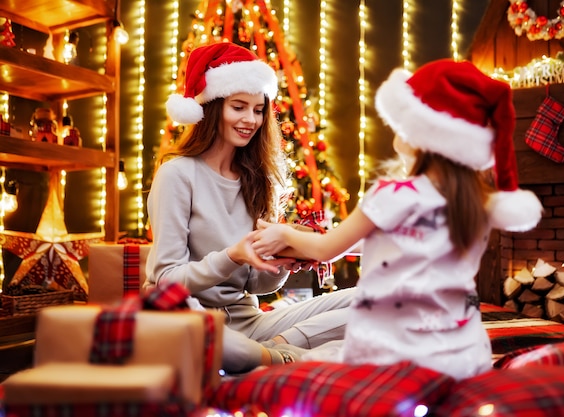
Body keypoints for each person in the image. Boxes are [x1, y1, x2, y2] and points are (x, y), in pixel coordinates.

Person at [250, 59, 543, 381]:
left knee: (288, 374)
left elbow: (325, 249)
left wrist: (286, 235)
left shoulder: (393, 194)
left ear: (419, 133)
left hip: (396, 353)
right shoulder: (478, 202)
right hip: (464, 354)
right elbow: (404, 241)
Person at [145, 42, 355, 374]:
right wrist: (234, 255)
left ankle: (273, 353)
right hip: (194, 325)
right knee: (215, 343)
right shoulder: (177, 175)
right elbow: (165, 282)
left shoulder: (257, 179)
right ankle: (289, 358)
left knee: (369, 300)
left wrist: (281, 261)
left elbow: (256, 286)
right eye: (239, 107)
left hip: (251, 325)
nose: (250, 120)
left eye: (258, 110)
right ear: (213, 107)